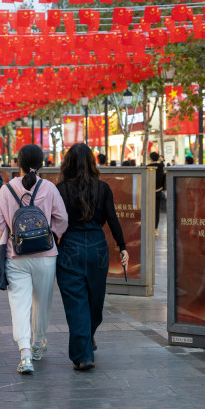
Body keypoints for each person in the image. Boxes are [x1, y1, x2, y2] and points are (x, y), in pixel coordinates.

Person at [0, 144, 68, 374]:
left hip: (17, 255)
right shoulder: (50, 188)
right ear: (41, 164)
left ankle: (24, 354)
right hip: (46, 255)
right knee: (42, 303)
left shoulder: (6, 189)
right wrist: (52, 235)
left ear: (18, 163)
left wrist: (11, 233)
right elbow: (62, 219)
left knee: (19, 304)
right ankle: (38, 344)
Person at [54, 144, 128, 371]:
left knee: (76, 303)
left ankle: (83, 354)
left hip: (69, 245)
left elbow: (53, 221)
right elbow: (113, 219)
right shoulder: (103, 188)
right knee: (95, 301)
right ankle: (87, 339)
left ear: (67, 163)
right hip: (97, 245)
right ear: (92, 162)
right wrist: (122, 247)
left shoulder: (60, 189)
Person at [147, 152, 165, 237]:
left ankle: (149, 228)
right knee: (156, 211)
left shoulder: (148, 167)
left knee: (149, 211)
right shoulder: (161, 167)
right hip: (158, 191)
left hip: (150, 192)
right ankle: (155, 229)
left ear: (150, 158)